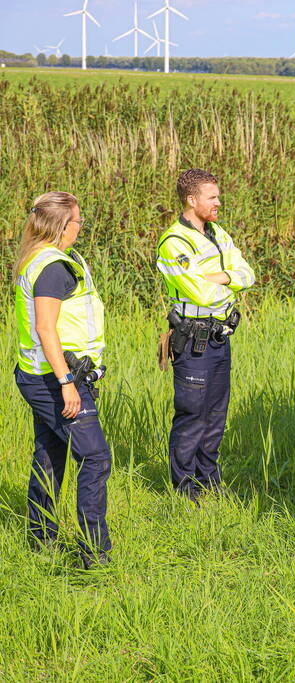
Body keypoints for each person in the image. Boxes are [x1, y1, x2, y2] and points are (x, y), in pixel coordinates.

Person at [13, 192, 112, 568]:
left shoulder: (42, 257)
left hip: (41, 374)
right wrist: (67, 381)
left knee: (50, 454)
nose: (80, 228)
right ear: (61, 226)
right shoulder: (53, 266)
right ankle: (94, 555)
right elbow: (44, 327)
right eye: (78, 222)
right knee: (96, 458)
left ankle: (41, 542)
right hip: (55, 378)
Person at [156, 169, 255, 501]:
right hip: (193, 342)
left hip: (220, 337)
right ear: (191, 199)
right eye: (212, 197)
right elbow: (201, 294)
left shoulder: (216, 232)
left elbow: (247, 274)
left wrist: (220, 276)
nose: (218, 202)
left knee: (215, 416)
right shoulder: (174, 243)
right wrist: (225, 279)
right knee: (192, 416)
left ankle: (209, 482)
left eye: (218, 196)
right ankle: (185, 490)